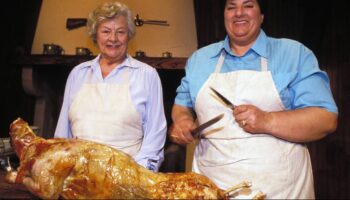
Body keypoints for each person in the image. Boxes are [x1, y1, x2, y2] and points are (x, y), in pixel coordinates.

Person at [169, 0, 338, 198]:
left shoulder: (294, 54)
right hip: (212, 186)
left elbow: (325, 120)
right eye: (231, 7)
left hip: (280, 188)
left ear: (262, 15)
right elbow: (182, 106)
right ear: (224, 15)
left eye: (248, 5)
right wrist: (182, 121)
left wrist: (267, 121)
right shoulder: (200, 59)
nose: (238, 13)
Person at [54, 1, 167, 172]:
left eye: (120, 32)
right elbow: (63, 134)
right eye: (106, 31)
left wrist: (138, 177)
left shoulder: (147, 75)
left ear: (128, 35)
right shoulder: (78, 74)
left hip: (126, 178)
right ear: (95, 35)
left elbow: (155, 136)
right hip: (78, 176)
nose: (113, 38)